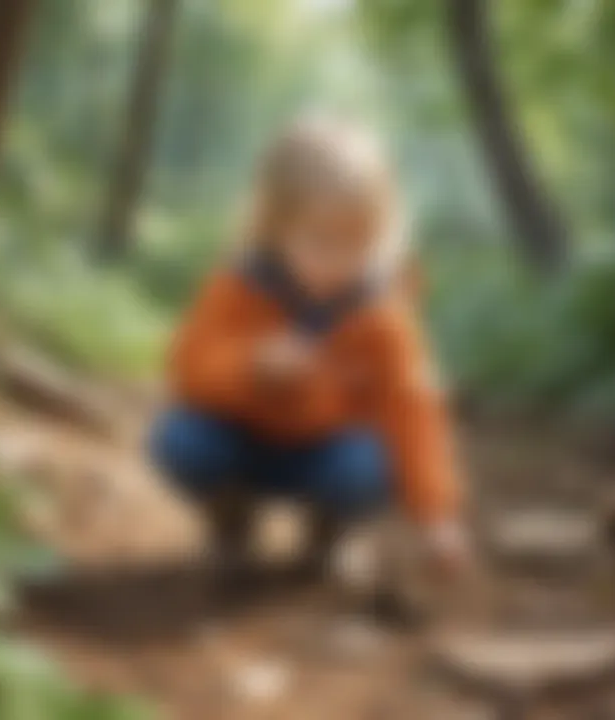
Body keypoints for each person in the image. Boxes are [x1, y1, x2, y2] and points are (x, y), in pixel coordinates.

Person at [148, 115, 470, 587]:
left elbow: (413, 405)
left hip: (326, 455)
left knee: (369, 465)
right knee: (183, 440)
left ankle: (328, 534)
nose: (339, 262)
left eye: (358, 244)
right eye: (321, 241)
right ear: (275, 228)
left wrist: (437, 516)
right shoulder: (238, 286)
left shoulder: (382, 312)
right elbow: (187, 368)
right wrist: (252, 367)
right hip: (243, 443)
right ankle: (231, 521)